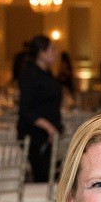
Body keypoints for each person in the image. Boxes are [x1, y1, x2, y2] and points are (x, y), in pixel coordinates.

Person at [16, 35, 62, 183]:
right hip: (36, 135)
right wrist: (49, 128)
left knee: (48, 177)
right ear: (41, 53)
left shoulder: (45, 72)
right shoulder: (30, 74)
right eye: (52, 49)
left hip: (46, 134)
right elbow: (26, 109)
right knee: (42, 178)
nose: (56, 52)